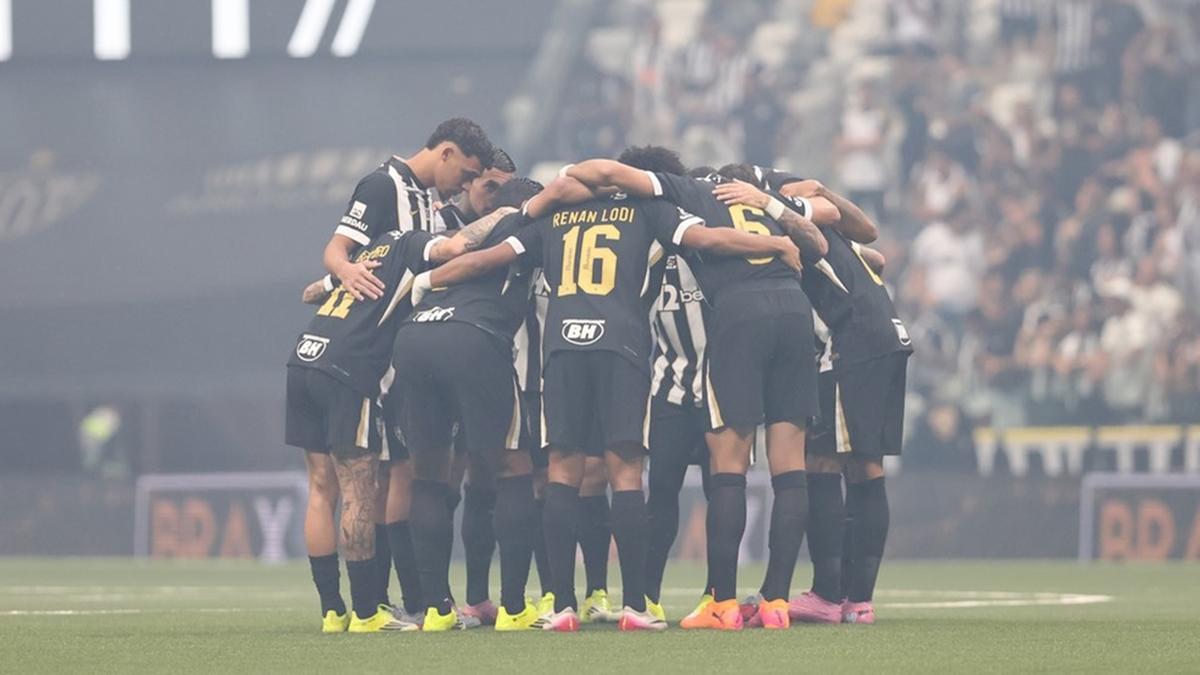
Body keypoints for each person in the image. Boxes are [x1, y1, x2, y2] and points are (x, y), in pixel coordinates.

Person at [411, 167, 802, 632]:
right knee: (625, 472)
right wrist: (775, 244)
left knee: (561, 471)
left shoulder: (555, 216)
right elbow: (711, 240)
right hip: (621, 346)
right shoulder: (645, 209)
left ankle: (562, 606)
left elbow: (489, 258)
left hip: (562, 347)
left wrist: (429, 280)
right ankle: (636, 606)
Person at [564, 157, 828, 630]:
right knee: (778, 470)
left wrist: (570, 175)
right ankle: (768, 601)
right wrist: (780, 198)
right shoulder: (746, 207)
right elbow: (827, 227)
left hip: (727, 354)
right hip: (692, 371)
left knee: (722, 476)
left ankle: (719, 600)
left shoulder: (680, 207)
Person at [717, 176, 912, 625]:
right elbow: (875, 253)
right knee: (865, 465)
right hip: (885, 335)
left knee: (819, 462)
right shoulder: (817, 225)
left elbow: (825, 226)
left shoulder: (783, 219)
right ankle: (856, 600)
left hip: (850, 342)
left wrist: (776, 201)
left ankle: (829, 594)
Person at [391, 178, 548, 632]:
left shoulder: (466, 231)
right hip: (474, 338)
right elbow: (488, 260)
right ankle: (515, 608)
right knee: (512, 465)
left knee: (429, 475)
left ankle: (437, 610)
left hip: (416, 337)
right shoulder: (528, 228)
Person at [286, 228, 441, 633]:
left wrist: (334, 278)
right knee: (359, 491)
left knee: (321, 489)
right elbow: (458, 248)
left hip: (304, 358)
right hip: (346, 370)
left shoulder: (365, 259)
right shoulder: (409, 251)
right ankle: (368, 612)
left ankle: (332, 611)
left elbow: (308, 293)